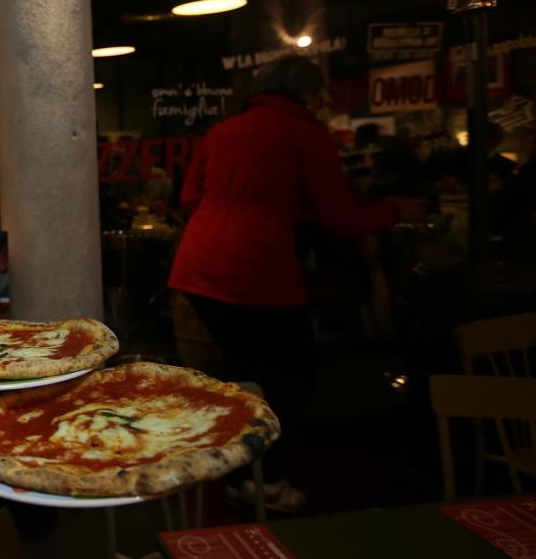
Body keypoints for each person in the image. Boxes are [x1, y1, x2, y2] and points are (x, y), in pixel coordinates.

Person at [168, 56, 426, 512]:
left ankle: (240, 473)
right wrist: (396, 210)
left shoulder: (222, 131)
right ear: (307, 93)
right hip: (256, 271)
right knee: (294, 374)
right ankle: (266, 480)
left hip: (198, 267)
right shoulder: (305, 134)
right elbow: (341, 219)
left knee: (249, 374)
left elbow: (191, 199)